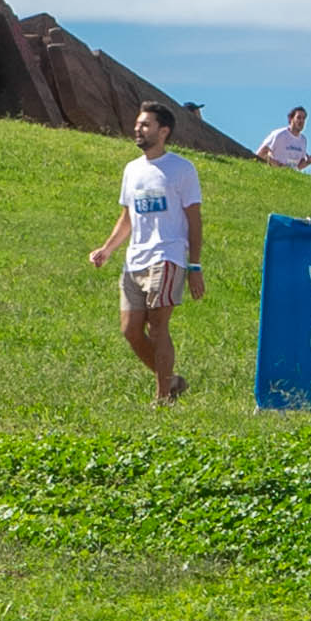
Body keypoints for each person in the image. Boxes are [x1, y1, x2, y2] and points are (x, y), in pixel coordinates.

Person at [87, 101, 205, 405]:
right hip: (134, 260)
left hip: (168, 256)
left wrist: (195, 266)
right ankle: (173, 380)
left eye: (146, 125)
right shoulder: (132, 170)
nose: (138, 129)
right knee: (129, 330)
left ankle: (163, 397)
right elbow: (128, 217)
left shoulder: (182, 169)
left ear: (163, 131)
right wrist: (107, 248)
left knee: (158, 324)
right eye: (138, 124)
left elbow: (194, 218)